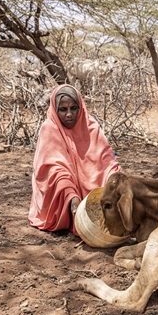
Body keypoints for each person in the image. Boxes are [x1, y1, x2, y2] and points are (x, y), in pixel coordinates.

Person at [28, 84, 122, 236]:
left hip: (93, 190)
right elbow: (54, 169)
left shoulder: (90, 126)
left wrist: (117, 181)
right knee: (58, 176)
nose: (69, 114)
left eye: (74, 108)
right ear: (55, 109)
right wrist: (72, 197)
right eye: (63, 109)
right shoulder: (49, 128)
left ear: (81, 107)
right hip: (63, 194)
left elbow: (107, 160)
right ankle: (72, 213)